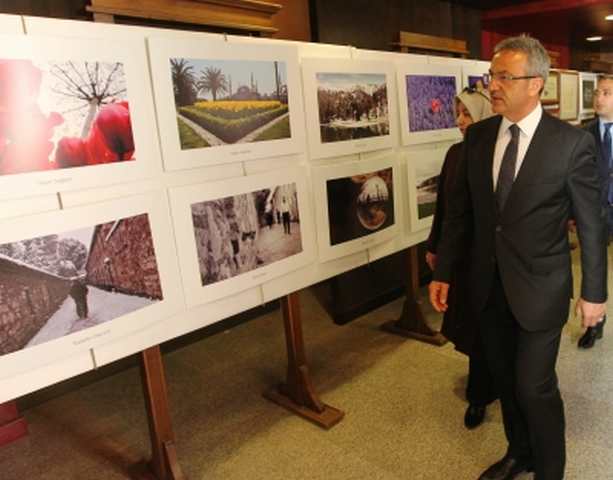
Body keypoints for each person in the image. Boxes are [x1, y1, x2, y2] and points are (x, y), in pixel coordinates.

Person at [429, 35, 607, 480]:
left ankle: (550, 469)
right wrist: (445, 272)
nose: (494, 85)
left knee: (534, 385)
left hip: (541, 289)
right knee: (506, 380)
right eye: (493, 76)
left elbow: (590, 226)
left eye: (506, 76)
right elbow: (461, 214)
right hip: (488, 285)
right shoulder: (480, 137)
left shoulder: (570, 145)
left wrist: (594, 296)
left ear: (536, 85)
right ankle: (519, 452)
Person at [426, 86, 496, 429]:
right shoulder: (455, 153)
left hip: (486, 255)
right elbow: (445, 206)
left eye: (467, 113)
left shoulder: (495, 154)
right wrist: (434, 246)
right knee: (470, 325)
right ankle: (480, 390)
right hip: (460, 255)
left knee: (488, 327)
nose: (460, 121)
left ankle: (484, 391)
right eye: (458, 113)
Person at [578, 74, 613, 348]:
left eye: (606, 93)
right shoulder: (582, 134)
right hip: (595, 214)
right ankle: (594, 324)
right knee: (594, 267)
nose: (599, 98)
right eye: (598, 92)